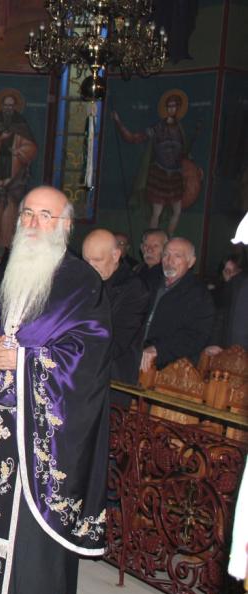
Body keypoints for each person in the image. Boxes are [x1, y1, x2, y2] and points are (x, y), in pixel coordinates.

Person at [0, 186, 112, 594]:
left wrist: (26, 360)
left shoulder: (82, 282)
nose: (33, 223)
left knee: (29, 543)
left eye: (45, 215)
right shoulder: (6, 271)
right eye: (27, 214)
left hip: (36, 433)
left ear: (65, 225)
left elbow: (89, 353)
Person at [83, 229, 151, 407]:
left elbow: (116, 342)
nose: (90, 267)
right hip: (82, 374)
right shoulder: (84, 282)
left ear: (115, 255)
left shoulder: (134, 289)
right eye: (86, 260)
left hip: (111, 381)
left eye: (97, 260)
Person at [112, 93, 197, 235]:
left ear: (178, 108)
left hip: (175, 176)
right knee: (157, 211)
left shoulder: (180, 129)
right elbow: (134, 138)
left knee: (177, 210)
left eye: (174, 106)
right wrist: (118, 122)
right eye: (169, 106)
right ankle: (152, 240)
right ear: (166, 108)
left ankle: (169, 239)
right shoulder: (158, 127)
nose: (172, 109)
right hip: (160, 174)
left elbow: (182, 153)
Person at [141, 237, 215, 371]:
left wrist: (159, 350)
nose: (169, 261)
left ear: (191, 262)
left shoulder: (199, 295)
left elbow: (196, 336)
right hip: (136, 357)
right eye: (166, 255)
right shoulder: (149, 282)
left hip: (171, 368)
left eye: (177, 256)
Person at [0, 91, 38, 248]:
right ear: (1, 106)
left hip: (14, 174)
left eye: (11, 105)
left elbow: (31, 148)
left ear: (15, 106)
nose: (8, 108)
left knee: (11, 206)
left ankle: (7, 241)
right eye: (5, 105)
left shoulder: (21, 124)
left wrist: (18, 151)